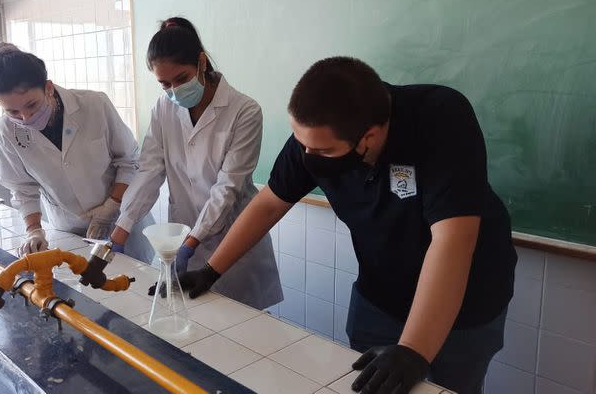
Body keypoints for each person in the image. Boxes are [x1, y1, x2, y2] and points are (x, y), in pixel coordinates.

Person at [180, 56, 517, 394]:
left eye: (323, 151)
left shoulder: (440, 117)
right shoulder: (315, 133)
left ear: (368, 137)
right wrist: (210, 271)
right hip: (380, 295)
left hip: (464, 303)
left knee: (449, 388)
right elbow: (269, 204)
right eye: (303, 145)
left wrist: (414, 351)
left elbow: (452, 240)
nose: (308, 156)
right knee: (365, 384)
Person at [109, 17, 282, 310]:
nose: (174, 91)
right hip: (183, 237)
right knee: (187, 331)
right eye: (164, 84)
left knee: (238, 336)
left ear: (201, 62)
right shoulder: (163, 108)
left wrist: (191, 243)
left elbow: (227, 187)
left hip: (232, 244)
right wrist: (122, 227)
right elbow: (150, 170)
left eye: (181, 79)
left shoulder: (244, 110)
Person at [0, 42, 153, 262]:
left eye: (32, 105)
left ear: (48, 88)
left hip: (123, 221)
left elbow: (129, 161)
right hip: (69, 229)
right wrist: (34, 230)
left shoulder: (94, 104)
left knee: (134, 285)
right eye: (12, 111)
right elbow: (22, 188)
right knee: (84, 290)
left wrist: (111, 207)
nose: (25, 118)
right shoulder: (5, 131)